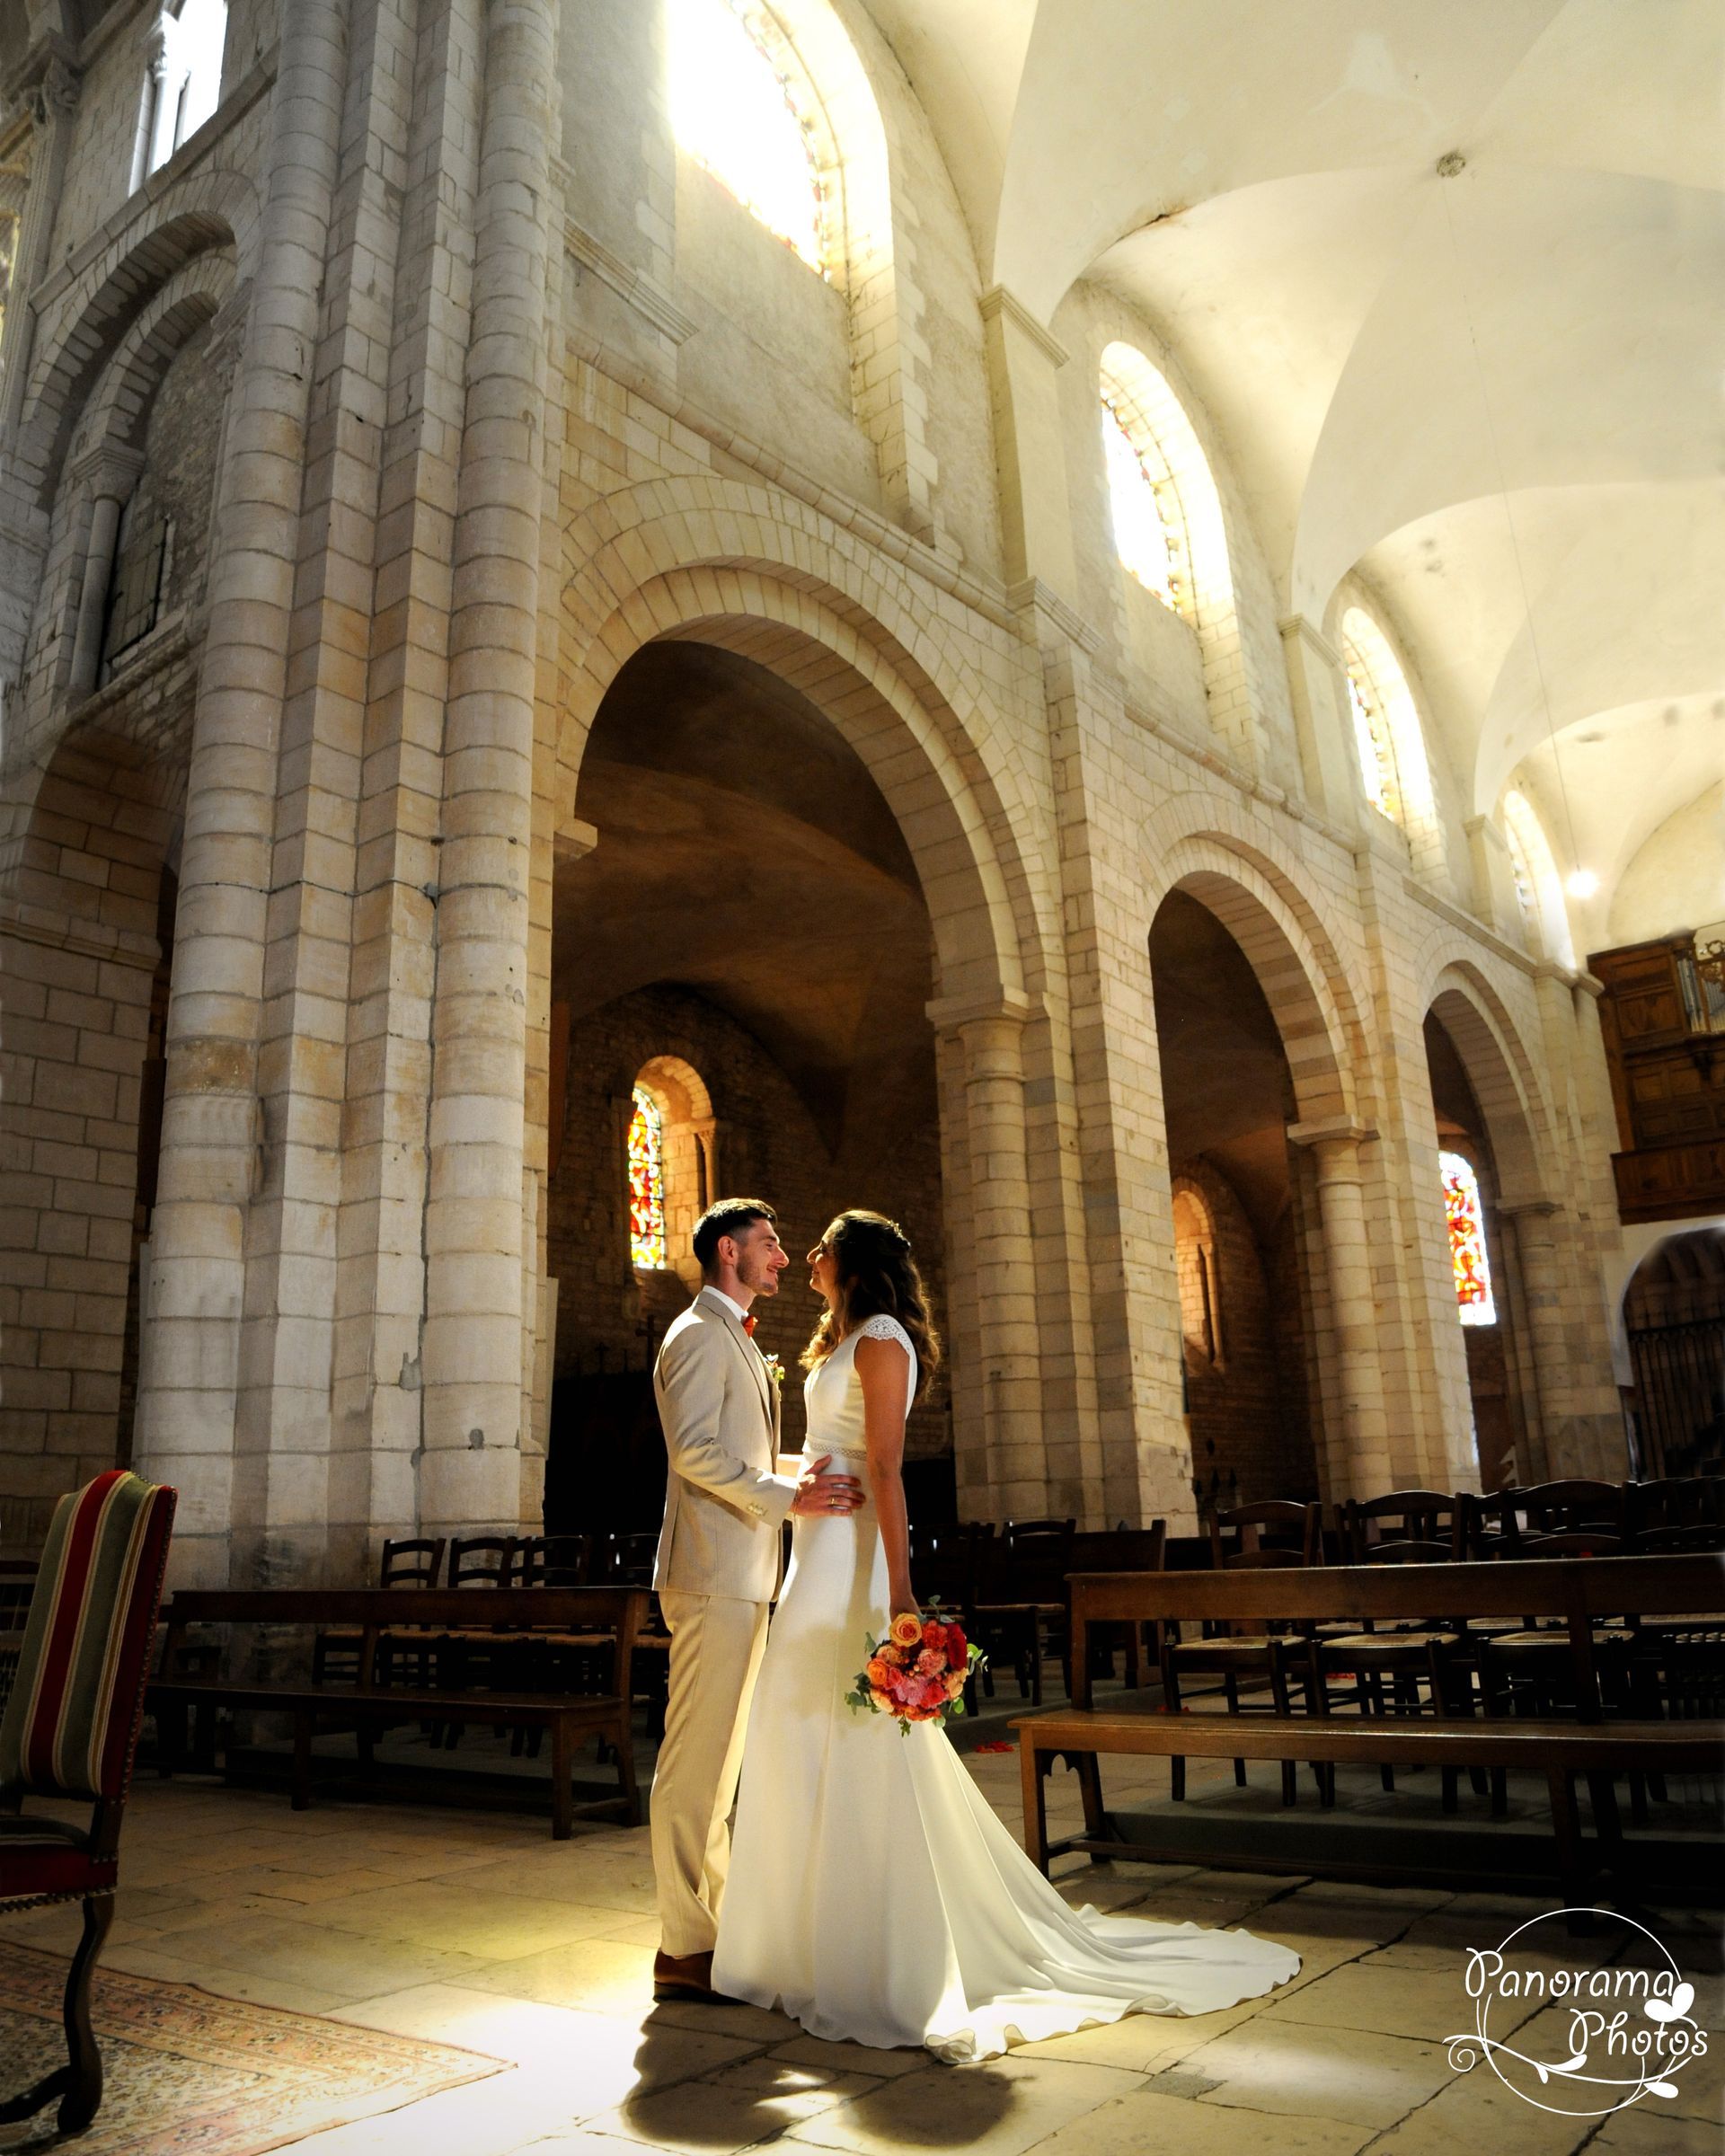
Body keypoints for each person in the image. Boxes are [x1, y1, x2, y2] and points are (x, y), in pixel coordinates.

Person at [712, 1208, 1301, 2061]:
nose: (808, 1255)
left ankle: (876, 1950)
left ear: (858, 1260)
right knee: (798, 1727)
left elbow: (884, 1466)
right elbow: (826, 1453)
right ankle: (797, 1943)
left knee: (857, 1737)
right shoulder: (838, 1339)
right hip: (814, 1552)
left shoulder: (882, 1338)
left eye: (824, 1245)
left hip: (853, 1563)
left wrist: (902, 1592)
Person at [650, 1197, 866, 2006]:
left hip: (741, 1573)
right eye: (770, 1244)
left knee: (722, 1764)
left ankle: (713, 1930)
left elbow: (731, 1448)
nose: (781, 1256)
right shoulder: (700, 1334)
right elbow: (695, 1452)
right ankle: (682, 1944)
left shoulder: (733, 1334)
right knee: (695, 1763)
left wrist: (797, 1476)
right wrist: (786, 1495)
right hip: (712, 1573)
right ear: (727, 1251)